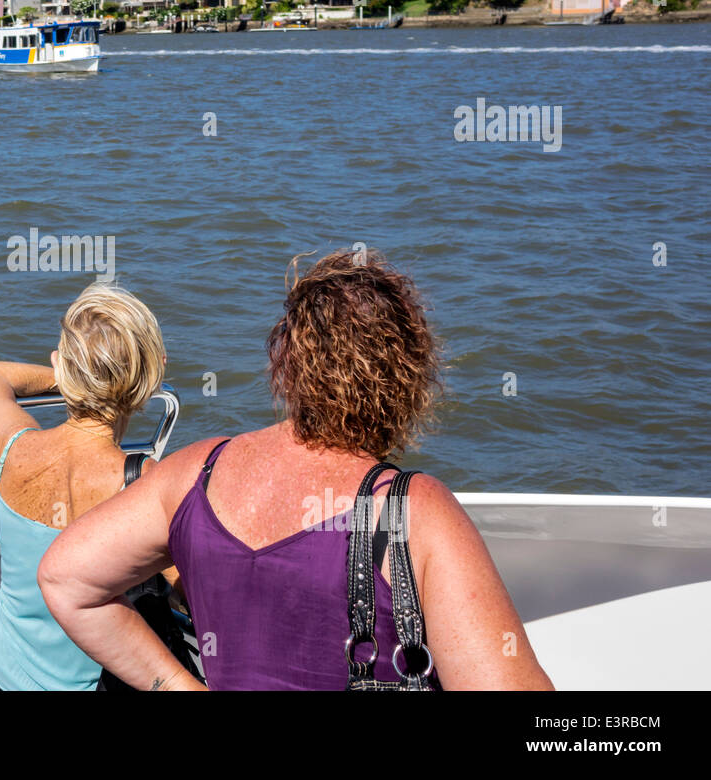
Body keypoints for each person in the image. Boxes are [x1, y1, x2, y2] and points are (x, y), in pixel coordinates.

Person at [40, 250, 553, 691]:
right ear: (409, 379)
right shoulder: (413, 509)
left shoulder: (197, 471)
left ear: (285, 363)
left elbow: (65, 579)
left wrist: (178, 684)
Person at [0, 283, 166, 690]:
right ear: (148, 378)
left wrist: (73, 377)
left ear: (61, 364)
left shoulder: (14, 447)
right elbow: (194, 590)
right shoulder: (149, 486)